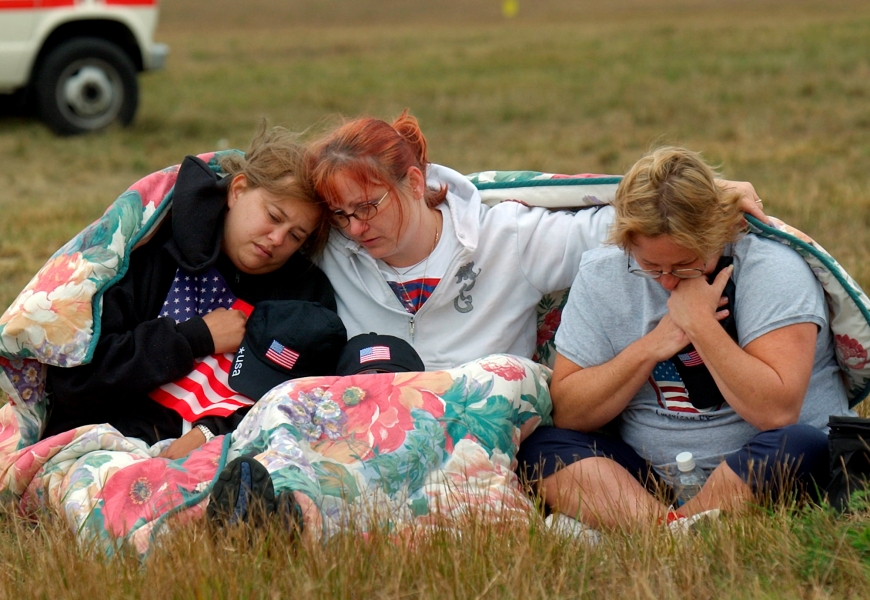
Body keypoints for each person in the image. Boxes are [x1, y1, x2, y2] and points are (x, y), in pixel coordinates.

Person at [516, 147, 853, 533]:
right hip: (648, 478)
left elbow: (775, 413)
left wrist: (700, 325)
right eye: (651, 266)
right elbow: (571, 412)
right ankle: (677, 532)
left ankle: (653, 530)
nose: (668, 280)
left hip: (757, 465)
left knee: (802, 446)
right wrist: (654, 345)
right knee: (540, 447)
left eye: (687, 263)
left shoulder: (772, 269)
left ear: (722, 234)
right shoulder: (604, 272)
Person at [307, 110, 767, 372]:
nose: (355, 228)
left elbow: (628, 220)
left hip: (482, 435)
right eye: (341, 214)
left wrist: (708, 199)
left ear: (412, 182)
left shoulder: (508, 238)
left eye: (368, 207)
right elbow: (260, 210)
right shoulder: (328, 252)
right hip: (375, 430)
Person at [40, 126, 338, 460]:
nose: (277, 239)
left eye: (296, 235)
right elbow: (76, 384)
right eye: (273, 216)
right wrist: (194, 338)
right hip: (108, 438)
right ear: (238, 190)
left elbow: (300, 398)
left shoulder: (304, 296)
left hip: (221, 451)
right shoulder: (152, 249)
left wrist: (210, 433)